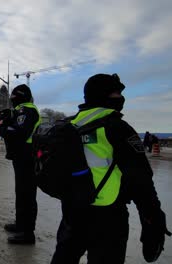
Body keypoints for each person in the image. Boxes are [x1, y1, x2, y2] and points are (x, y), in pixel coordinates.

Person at [50, 73, 169, 263]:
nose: (121, 98)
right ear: (102, 95)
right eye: (116, 93)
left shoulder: (69, 125)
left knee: (64, 257)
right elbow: (141, 180)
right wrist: (153, 218)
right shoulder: (117, 127)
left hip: (73, 210)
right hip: (108, 216)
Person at [0, 84, 41, 244]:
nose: (12, 100)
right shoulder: (21, 111)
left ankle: (28, 233)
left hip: (27, 157)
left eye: (14, 97)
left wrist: (2, 128)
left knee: (27, 195)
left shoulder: (27, 111)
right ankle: (21, 224)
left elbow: (18, 133)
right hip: (21, 157)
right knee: (21, 193)